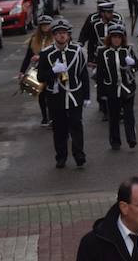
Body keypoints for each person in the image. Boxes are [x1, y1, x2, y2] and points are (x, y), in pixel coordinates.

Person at [37, 18, 90, 169]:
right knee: (59, 129)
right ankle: (61, 157)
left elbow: (83, 75)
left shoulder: (76, 51)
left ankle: (79, 155)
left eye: (64, 33)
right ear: (54, 35)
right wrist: (53, 72)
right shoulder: (46, 54)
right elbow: (41, 77)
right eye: (59, 33)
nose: (62, 36)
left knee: (76, 126)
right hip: (56, 98)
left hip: (74, 96)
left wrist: (86, 96)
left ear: (68, 35)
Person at [96, 24, 138, 151]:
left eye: (119, 37)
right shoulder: (103, 52)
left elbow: (137, 67)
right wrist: (101, 93)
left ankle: (131, 138)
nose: (116, 39)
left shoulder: (128, 50)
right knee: (114, 117)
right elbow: (100, 74)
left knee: (129, 115)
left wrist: (133, 64)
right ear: (110, 38)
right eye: (114, 37)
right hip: (112, 90)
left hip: (127, 88)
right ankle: (115, 141)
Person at [19, 15, 55, 127]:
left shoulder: (55, 37)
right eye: (43, 25)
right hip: (39, 70)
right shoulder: (34, 38)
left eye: (47, 25)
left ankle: (53, 117)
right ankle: (45, 117)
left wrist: (40, 57)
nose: (45, 27)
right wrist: (22, 71)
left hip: (53, 70)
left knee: (52, 94)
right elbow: (28, 56)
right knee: (41, 94)